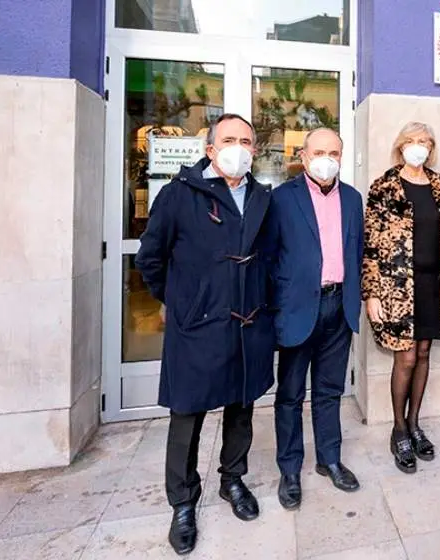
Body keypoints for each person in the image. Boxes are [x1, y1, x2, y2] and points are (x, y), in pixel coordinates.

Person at [135, 113, 277, 555]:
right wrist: (181, 303)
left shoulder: (260, 198)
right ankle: (182, 502)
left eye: (246, 141)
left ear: (254, 151)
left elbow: (268, 257)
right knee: (187, 418)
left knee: (241, 410)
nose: (239, 148)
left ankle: (232, 481)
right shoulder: (179, 196)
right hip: (196, 327)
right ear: (210, 149)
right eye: (229, 140)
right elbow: (150, 260)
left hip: (247, 324)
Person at [270, 128, 364, 510]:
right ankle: (290, 469)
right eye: (320, 151)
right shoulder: (281, 199)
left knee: (330, 391)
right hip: (296, 309)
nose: (328, 158)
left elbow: (358, 251)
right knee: (290, 394)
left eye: (334, 152)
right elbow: (270, 256)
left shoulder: (353, 199)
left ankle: (329, 459)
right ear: (304, 157)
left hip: (339, 306)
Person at [362, 122, 440, 474]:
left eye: (424, 141)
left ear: (430, 148)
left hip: (434, 285)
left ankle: (415, 423)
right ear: (400, 146)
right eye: (412, 141)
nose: (418, 146)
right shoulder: (383, 187)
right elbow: (370, 246)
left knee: (423, 352)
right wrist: (371, 293)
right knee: (404, 359)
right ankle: (399, 429)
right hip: (397, 286)